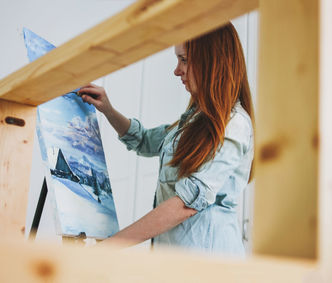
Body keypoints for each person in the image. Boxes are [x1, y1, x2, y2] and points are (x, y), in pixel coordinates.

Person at [78, 22, 254, 257]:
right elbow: (143, 140)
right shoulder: (192, 121)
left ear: (212, 61)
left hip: (209, 267)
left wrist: (110, 246)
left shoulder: (235, 124)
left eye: (184, 59)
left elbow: (186, 203)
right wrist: (108, 109)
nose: (177, 70)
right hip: (174, 263)